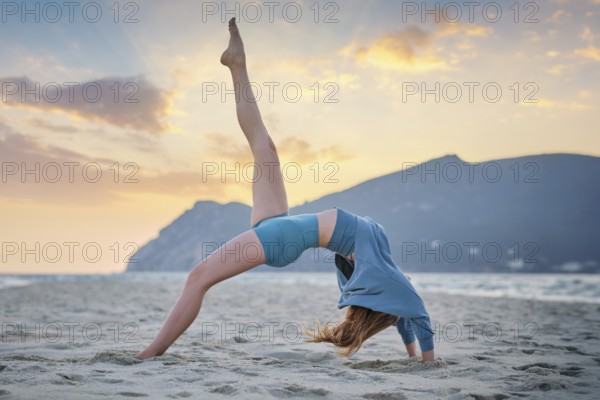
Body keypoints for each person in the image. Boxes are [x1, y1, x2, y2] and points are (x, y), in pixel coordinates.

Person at [134, 18, 435, 362]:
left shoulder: (386, 274)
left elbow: (416, 314)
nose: (410, 279)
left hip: (283, 237)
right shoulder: (381, 261)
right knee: (263, 144)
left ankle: (150, 353)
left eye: (406, 285)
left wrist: (426, 359)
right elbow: (406, 318)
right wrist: (412, 354)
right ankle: (236, 65)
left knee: (198, 277)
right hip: (280, 226)